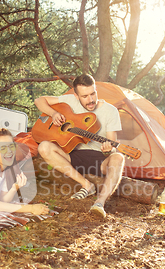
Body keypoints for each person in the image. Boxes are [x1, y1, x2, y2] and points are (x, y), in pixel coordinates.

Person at [35, 74, 124, 218]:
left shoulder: (111, 111)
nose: (91, 100)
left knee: (118, 157)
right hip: (72, 154)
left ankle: (99, 203)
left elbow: (112, 144)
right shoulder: (69, 101)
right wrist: (53, 113)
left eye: (93, 93)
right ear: (76, 96)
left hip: (99, 159)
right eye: (85, 96)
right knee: (44, 147)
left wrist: (109, 149)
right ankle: (87, 185)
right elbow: (39, 100)